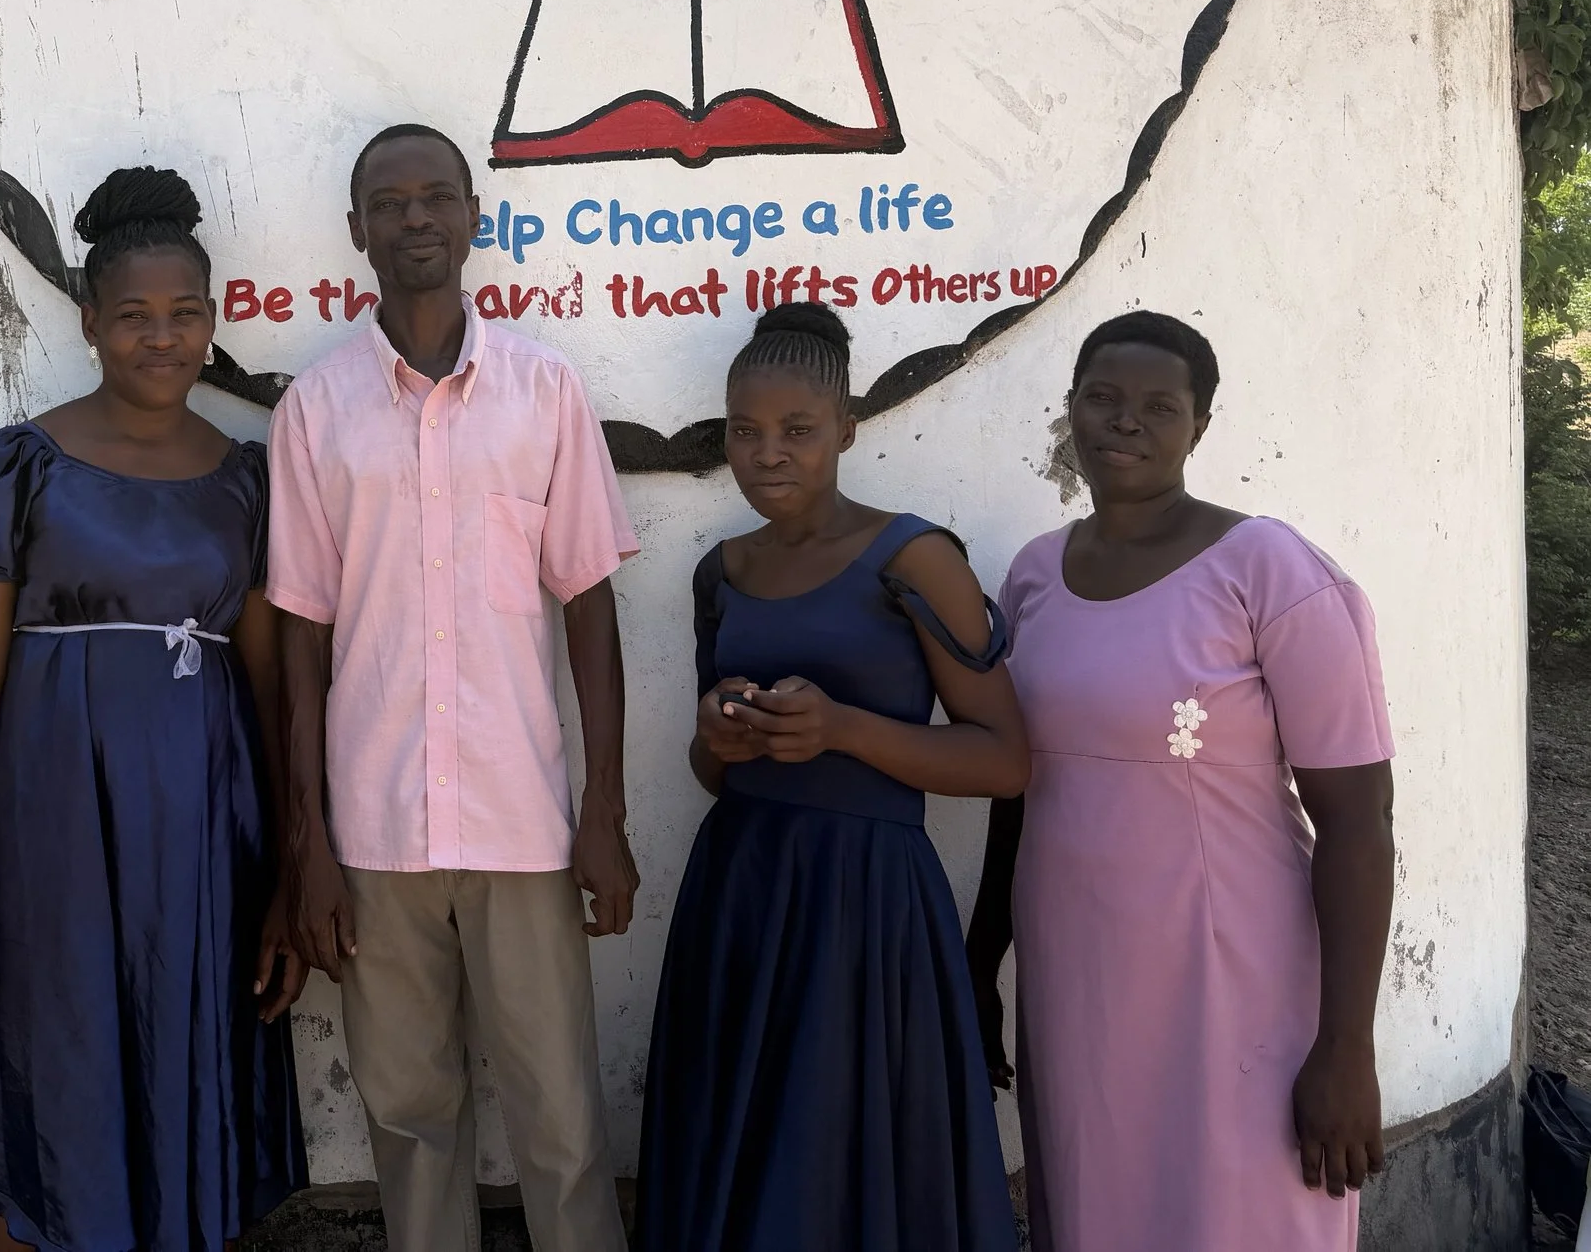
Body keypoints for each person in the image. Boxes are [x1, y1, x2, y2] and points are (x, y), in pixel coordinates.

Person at [0, 165, 306, 1250]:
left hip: (202, 848)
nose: (163, 337)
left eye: (185, 313)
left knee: (177, 1073)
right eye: (134, 315)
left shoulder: (249, 483)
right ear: (91, 324)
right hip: (44, 843)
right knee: (36, 1083)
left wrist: (292, 869)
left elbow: (268, 687)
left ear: (213, 320)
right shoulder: (20, 472)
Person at [274, 123, 638, 1252]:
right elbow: (299, 638)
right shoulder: (315, 409)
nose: (416, 218)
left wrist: (604, 810)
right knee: (409, 1121)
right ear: (357, 231)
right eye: (390, 202)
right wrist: (307, 841)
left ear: (475, 217)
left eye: (437, 196)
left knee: (561, 1119)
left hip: (523, 824)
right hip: (375, 829)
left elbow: (589, 606)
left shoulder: (543, 390)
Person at [965, 311, 1397, 1252]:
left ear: (1200, 424)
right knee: (1094, 1203)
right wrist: (981, 956)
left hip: (1232, 976)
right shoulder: (1034, 575)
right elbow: (1016, 783)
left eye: (1160, 406)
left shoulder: (1269, 569)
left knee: (1237, 1211)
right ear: (1071, 407)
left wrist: (1347, 1046)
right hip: (1075, 973)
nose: (1126, 421)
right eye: (1103, 397)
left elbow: (1360, 821)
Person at [633, 303, 1024, 1251]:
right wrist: (715, 736)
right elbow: (712, 771)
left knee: (844, 1151)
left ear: (846, 429)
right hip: (743, 891)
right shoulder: (720, 571)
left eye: (798, 429)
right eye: (745, 431)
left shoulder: (916, 557)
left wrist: (843, 728)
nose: (768, 453)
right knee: (747, 1149)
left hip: (869, 903)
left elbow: (1006, 757)